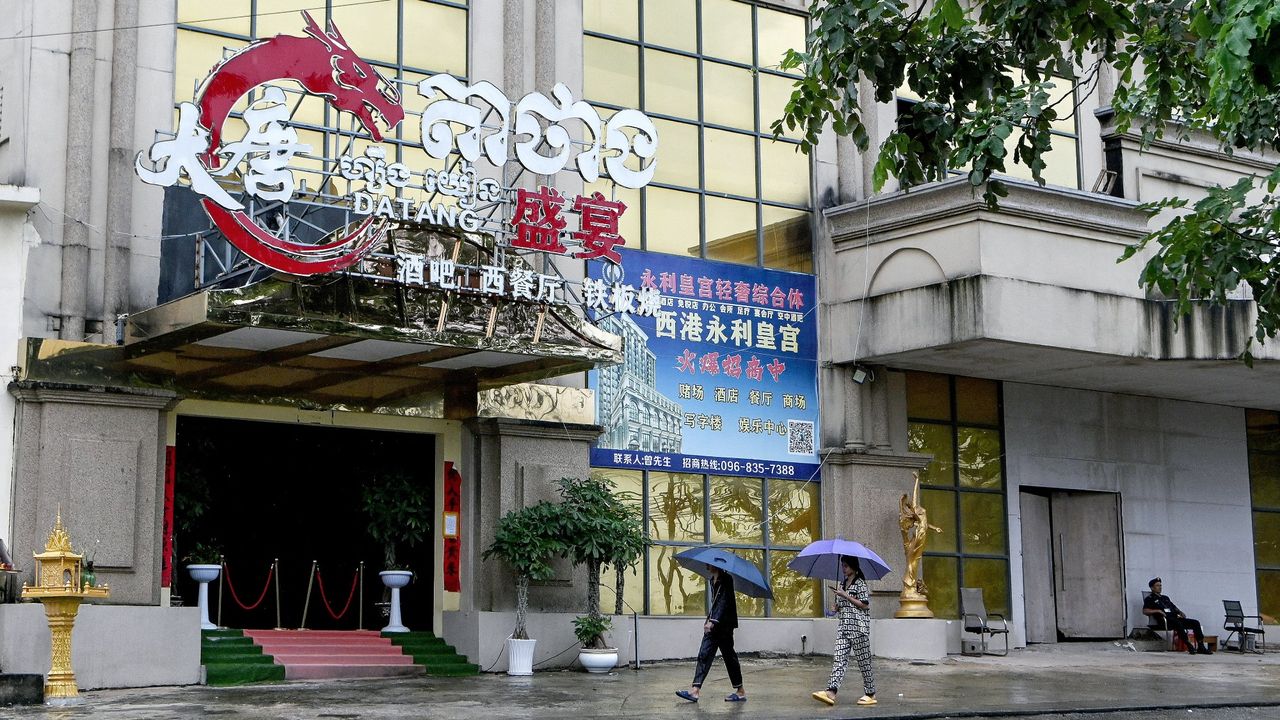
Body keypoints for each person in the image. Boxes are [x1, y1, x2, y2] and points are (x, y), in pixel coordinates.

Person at [676, 564, 745, 703]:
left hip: (724, 626)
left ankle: (741, 691)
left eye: (709, 564)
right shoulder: (712, 580)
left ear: (716, 565)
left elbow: (724, 602)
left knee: (729, 658)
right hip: (714, 625)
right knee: (704, 654)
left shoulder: (726, 579)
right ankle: (695, 691)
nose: (706, 566)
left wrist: (713, 621)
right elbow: (715, 603)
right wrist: (709, 619)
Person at [813, 556, 876, 707]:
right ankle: (831, 691)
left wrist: (846, 596)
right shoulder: (842, 584)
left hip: (858, 629)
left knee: (864, 663)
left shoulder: (860, 584)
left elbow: (865, 605)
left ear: (854, 567)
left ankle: (870, 693)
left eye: (846, 566)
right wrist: (836, 608)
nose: (844, 568)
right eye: (842, 565)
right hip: (844, 628)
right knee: (839, 659)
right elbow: (843, 605)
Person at [1144, 577, 1213, 655]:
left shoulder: (1165, 598)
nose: (1160, 587)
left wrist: (1180, 612)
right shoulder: (1149, 599)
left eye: (1160, 585)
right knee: (1178, 624)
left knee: (1195, 623)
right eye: (1157, 585)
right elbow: (1145, 611)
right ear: (1152, 588)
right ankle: (1189, 645)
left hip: (1175, 618)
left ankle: (1201, 646)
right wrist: (1158, 611)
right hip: (1165, 621)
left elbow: (1174, 607)